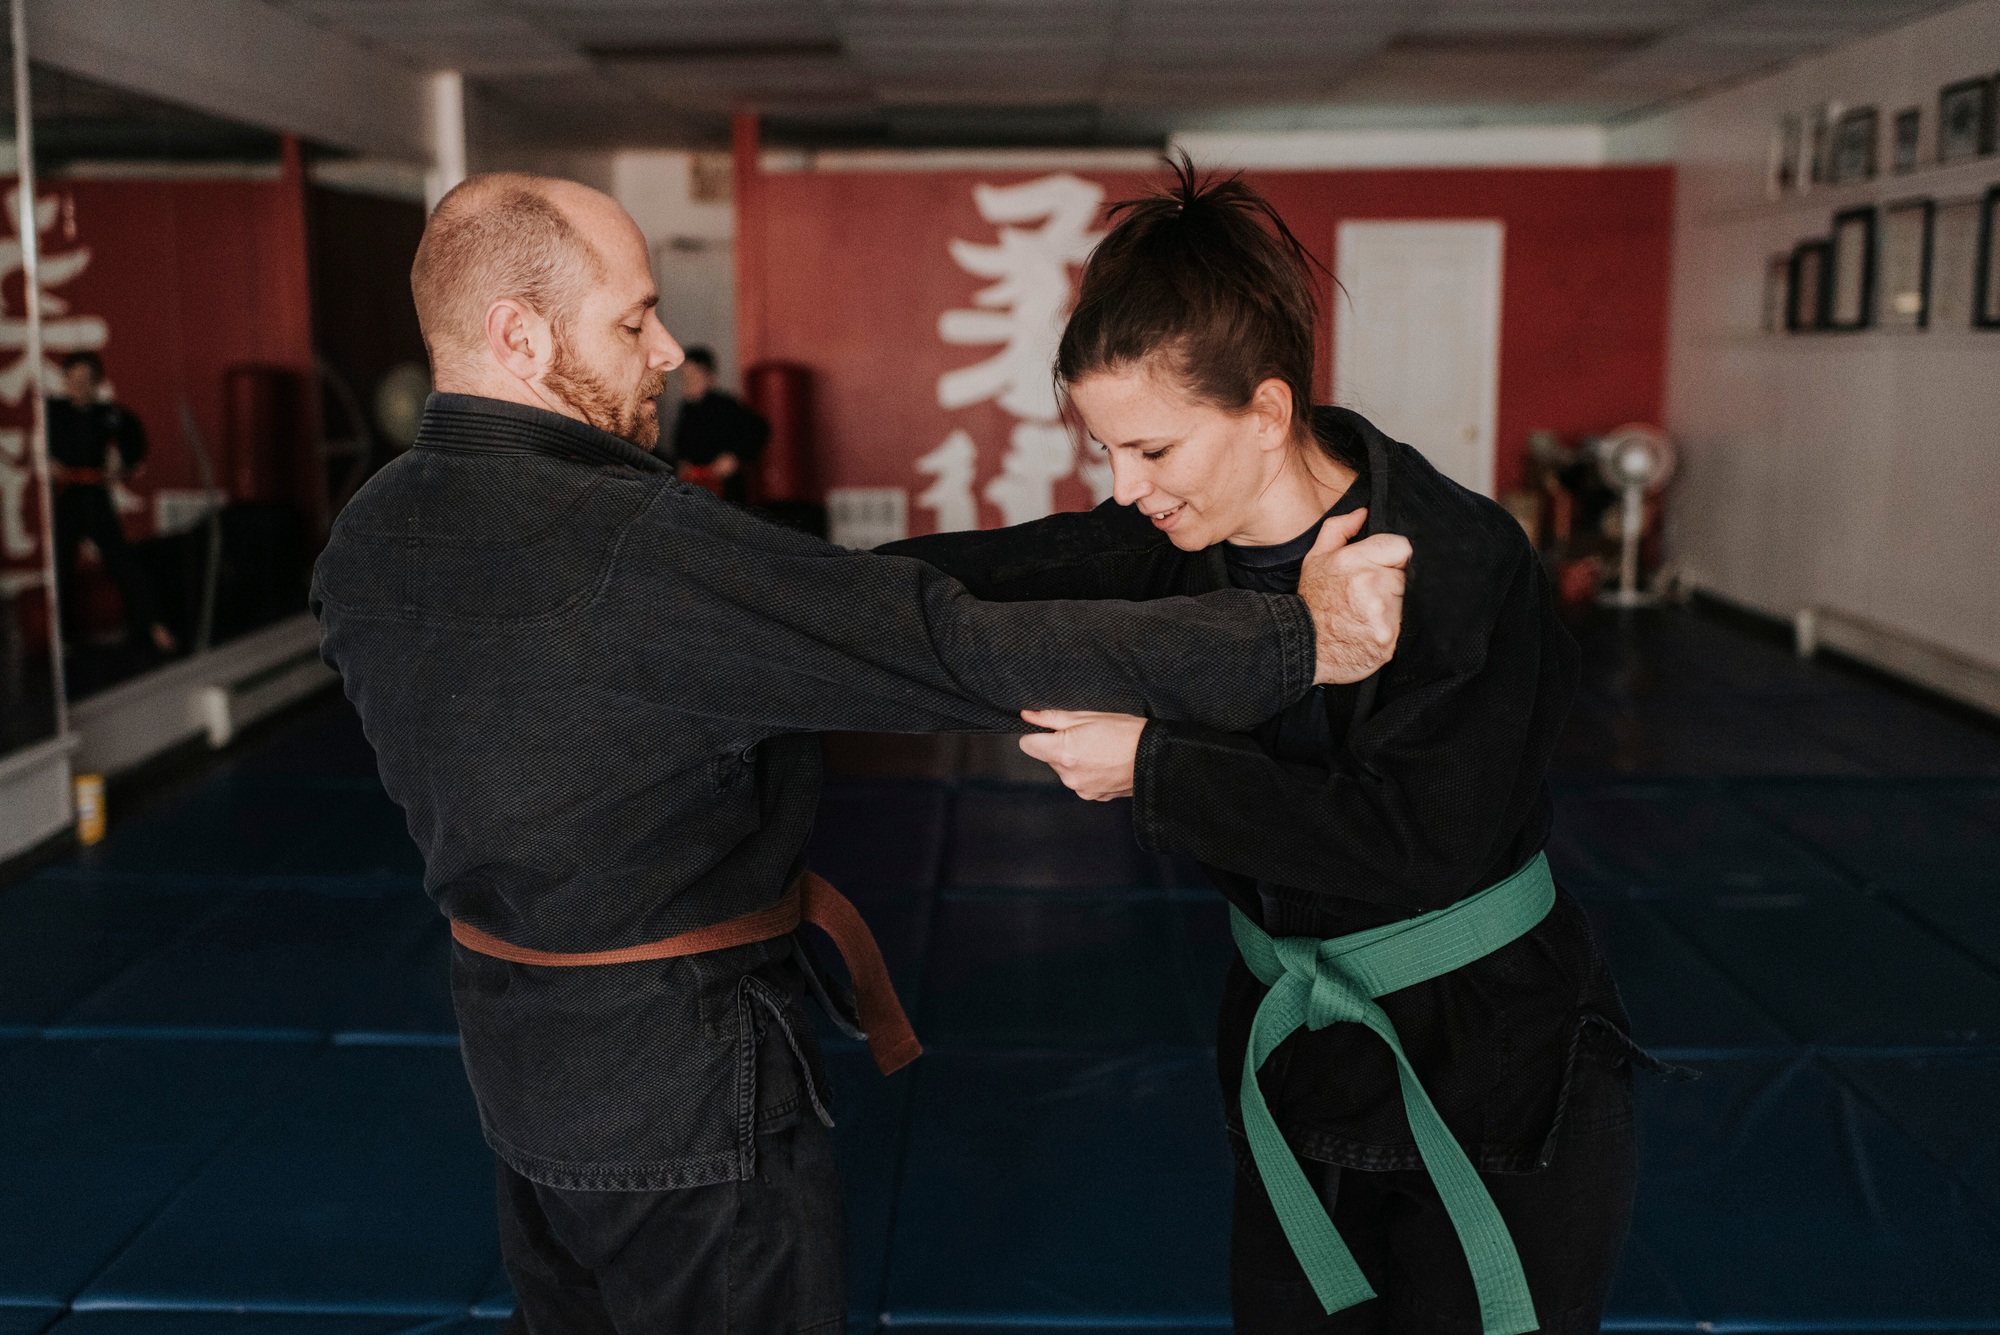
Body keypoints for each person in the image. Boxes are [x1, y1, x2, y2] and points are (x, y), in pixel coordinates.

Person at [309, 172, 1410, 1335]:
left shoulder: (368, 536)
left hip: (519, 1075)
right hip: (686, 1098)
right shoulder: (631, 546)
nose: (669, 350)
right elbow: (948, 647)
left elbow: (844, 610)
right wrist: (1291, 638)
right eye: (633, 320)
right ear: (518, 336)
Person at [883, 161, 1644, 1335]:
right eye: (1106, 454)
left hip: (1492, 1059)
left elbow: (1415, 840)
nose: (1125, 489)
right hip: (1298, 1051)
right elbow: (962, 581)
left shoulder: (1456, 559)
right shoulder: (1170, 548)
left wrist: (1153, 767)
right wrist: (744, 585)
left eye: (1152, 451)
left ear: (1268, 413)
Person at [48, 351, 174, 655]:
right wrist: (48, 464)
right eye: (72, 380)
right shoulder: (51, 411)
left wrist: (124, 468)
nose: (78, 387)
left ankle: (150, 623)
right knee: (60, 565)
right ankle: (61, 637)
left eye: (86, 381)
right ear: (64, 382)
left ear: (98, 383)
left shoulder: (110, 415)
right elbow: (33, 445)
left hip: (94, 496)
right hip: (64, 497)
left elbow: (135, 442)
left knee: (121, 560)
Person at [669, 344, 769, 504]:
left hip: (726, 489)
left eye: (694, 376)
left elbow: (759, 430)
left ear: (711, 377)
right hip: (695, 487)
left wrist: (735, 456)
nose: (689, 382)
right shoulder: (686, 410)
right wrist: (682, 463)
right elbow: (681, 447)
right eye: (685, 377)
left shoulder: (726, 405)